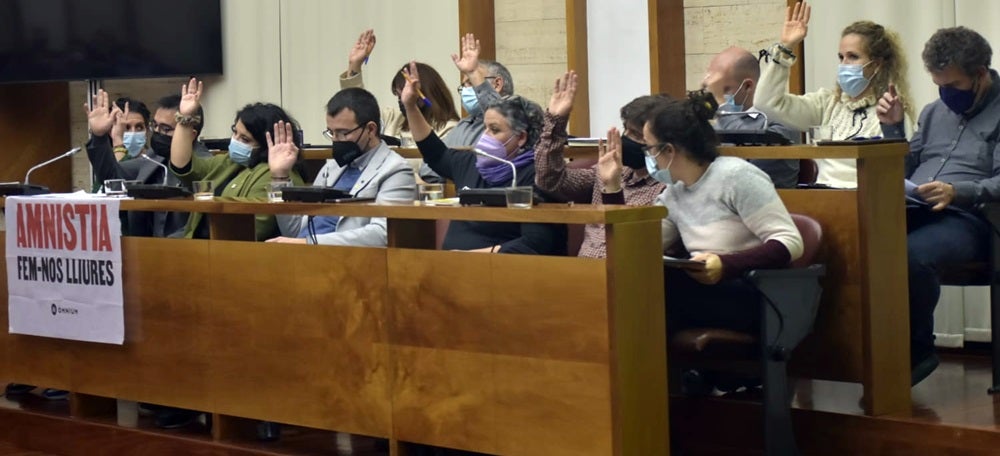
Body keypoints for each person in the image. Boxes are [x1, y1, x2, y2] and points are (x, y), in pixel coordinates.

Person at [601, 90, 802, 335]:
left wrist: (724, 263)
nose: (649, 157)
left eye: (650, 149)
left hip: (750, 292)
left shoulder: (737, 176)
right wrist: (612, 187)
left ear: (669, 150)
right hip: (700, 291)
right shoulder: (674, 193)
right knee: (631, 286)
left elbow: (790, 243)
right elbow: (635, 245)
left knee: (647, 295)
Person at [876, 26, 1000, 386]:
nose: (946, 95)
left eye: (954, 86)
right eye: (939, 85)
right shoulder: (933, 113)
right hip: (915, 208)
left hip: (971, 219)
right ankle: (864, 351)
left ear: (980, 75)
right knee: (857, 241)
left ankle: (917, 350)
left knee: (910, 254)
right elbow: (902, 170)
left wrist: (956, 191)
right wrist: (892, 132)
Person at [400, 61, 566, 255]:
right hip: (451, 268)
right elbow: (434, 153)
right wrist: (411, 107)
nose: (485, 136)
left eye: (494, 130)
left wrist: (471, 256)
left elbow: (535, 243)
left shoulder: (538, 175)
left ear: (521, 137)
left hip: (504, 271)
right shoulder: (472, 163)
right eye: (485, 128)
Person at [754, 1, 913, 188]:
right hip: (824, 200)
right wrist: (786, 47)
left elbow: (896, 173)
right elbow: (766, 103)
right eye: (841, 57)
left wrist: (893, 127)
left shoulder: (891, 111)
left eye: (853, 57)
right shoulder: (827, 104)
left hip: (866, 203)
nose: (844, 64)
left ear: (877, 65)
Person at [534, 70, 668, 257]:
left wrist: (613, 188)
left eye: (637, 135)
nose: (625, 139)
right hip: (583, 274)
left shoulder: (667, 189)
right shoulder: (612, 170)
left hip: (625, 277)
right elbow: (549, 180)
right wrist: (556, 123)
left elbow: (634, 247)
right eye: (626, 131)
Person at [266, 87, 416, 245]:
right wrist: (280, 176)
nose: (336, 140)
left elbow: (382, 234)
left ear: (370, 129)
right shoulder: (331, 168)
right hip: (303, 255)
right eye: (331, 132)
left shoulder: (395, 170)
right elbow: (295, 231)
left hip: (344, 261)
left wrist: (309, 243)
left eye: (343, 133)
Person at [169, 78, 305, 241]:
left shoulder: (275, 174)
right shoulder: (230, 162)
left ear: (265, 144)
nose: (235, 141)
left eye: (245, 139)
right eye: (235, 132)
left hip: (237, 254)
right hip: (204, 246)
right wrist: (185, 117)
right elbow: (182, 166)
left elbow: (252, 228)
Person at [84, 92, 211, 237]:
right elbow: (112, 176)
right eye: (155, 126)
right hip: (144, 247)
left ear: (190, 133)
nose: (157, 133)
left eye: (165, 129)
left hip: (183, 251)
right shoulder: (155, 157)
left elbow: (203, 225)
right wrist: (99, 137)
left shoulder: (206, 166)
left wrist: (160, 249)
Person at [702, 46, 800, 188]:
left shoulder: (781, 118)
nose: (716, 98)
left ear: (748, 86)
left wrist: (723, 107)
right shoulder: (722, 120)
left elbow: (750, 176)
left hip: (769, 203)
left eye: (723, 89)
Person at [340, 29, 460, 144]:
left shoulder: (450, 129)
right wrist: (355, 65)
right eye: (399, 96)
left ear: (425, 93)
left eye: (406, 94)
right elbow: (356, 108)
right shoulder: (393, 119)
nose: (402, 100)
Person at [110, 96, 150, 161]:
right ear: (112, 131)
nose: (133, 133)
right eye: (126, 127)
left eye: (139, 127)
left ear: (147, 129)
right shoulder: (104, 163)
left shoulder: (158, 163)